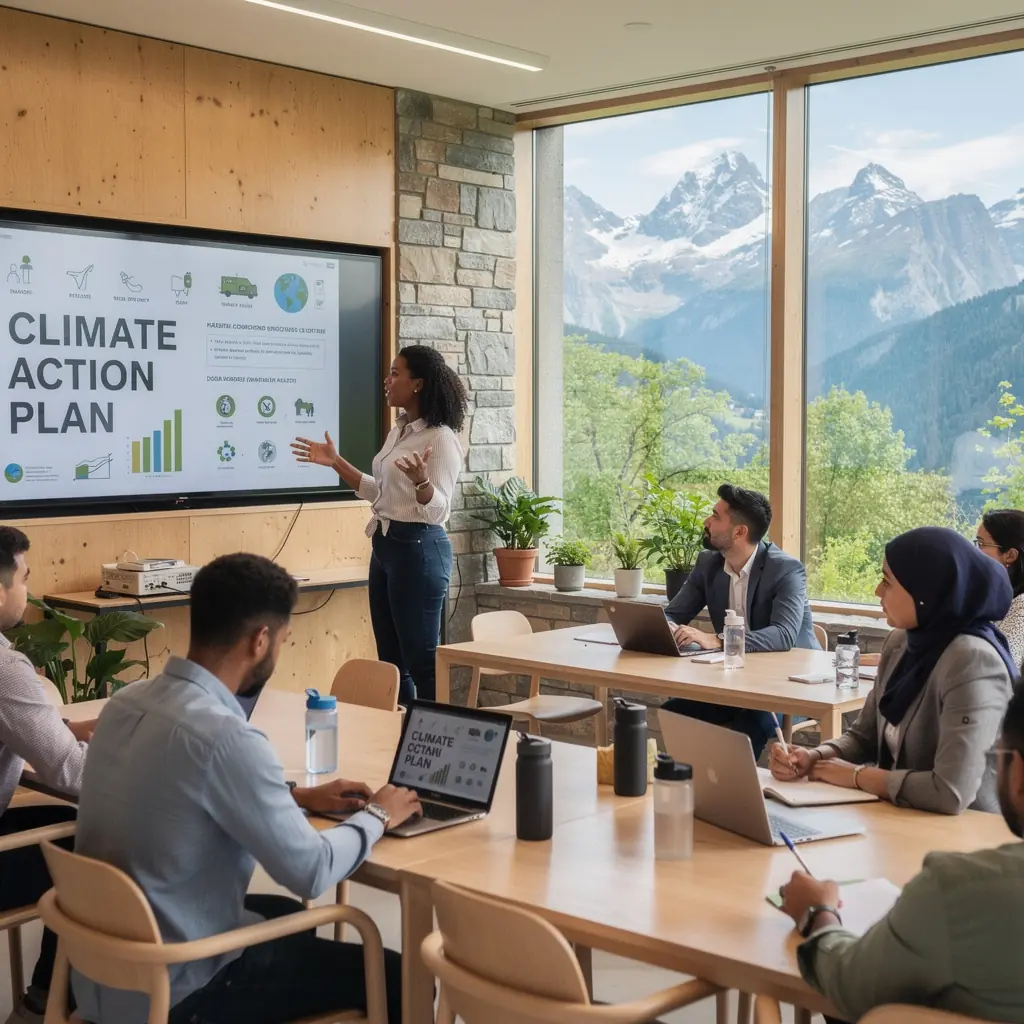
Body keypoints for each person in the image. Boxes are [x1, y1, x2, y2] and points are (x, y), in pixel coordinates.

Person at [73, 554, 422, 1024]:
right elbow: (312, 871)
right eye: (284, 639)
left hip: (105, 972)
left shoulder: (125, 703)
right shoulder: (226, 737)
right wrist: (378, 814)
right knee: (401, 974)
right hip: (178, 992)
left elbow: (180, 787)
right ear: (260, 640)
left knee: (284, 918)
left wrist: (292, 796)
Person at [777, 682, 1024, 1023]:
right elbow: (863, 735)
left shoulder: (957, 889)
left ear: (1018, 773)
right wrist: (819, 756)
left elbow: (852, 986)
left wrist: (817, 913)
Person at [771, 526, 1016, 814]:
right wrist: (814, 757)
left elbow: (951, 792)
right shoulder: (901, 641)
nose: (877, 591)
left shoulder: (973, 661)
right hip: (903, 816)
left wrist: (856, 776)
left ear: (925, 592)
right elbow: (864, 737)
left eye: (887, 581)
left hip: (969, 829)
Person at [292, 344, 468, 705]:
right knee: (391, 663)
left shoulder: (440, 439)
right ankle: (397, 733)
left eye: (395, 373)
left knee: (422, 663)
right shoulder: (399, 432)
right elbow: (382, 494)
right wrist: (336, 462)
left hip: (419, 549)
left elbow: (439, 511)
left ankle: (434, 734)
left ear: (417, 384)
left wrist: (423, 483)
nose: (387, 380)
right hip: (386, 546)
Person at [0, 526, 95, 1024]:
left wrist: (58, 727)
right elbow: (73, 772)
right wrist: (139, 758)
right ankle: (47, 1005)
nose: (28, 591)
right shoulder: (4, 667)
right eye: (24, 579)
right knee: (99, 846)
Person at [661, 484, 819, 758]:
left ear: (739, 532)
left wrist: (717, 639)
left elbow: (783, 634)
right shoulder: (708, 564)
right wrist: (664, 629)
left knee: (746, 728)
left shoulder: (786, 569)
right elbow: (673, 614)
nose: (706, 522)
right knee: (673, 713)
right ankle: (689, 780)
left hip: (790, 686)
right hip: (736, 684)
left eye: (715, 516)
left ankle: (734, 786)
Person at [976, 508, 1024, 668]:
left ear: (1010, 555)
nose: (975, 552)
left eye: (981, 544)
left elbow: (1000, 664)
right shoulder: (1000, 598)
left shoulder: (1022, 606)